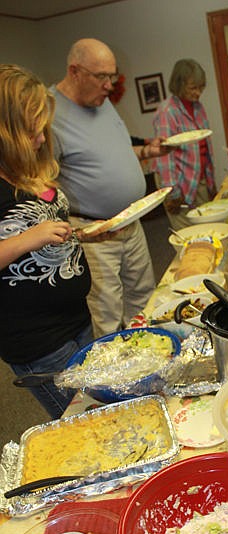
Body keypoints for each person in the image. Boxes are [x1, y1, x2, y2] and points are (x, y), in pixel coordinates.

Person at [51, 38, 168, 338]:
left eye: (112, 76)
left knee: (144, 300)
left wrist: (145, 153)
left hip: (131, 220)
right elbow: (43, 185)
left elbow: (116, 150)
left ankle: (147, 361)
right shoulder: (50, 115)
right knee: (107, 313)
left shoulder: (100, 102)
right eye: (102, 76)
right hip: (96, 230)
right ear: (75, 71)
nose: (109, 85)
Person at [0, 63, 93, 419]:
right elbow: (31, 235)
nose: (41, 140)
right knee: (85, 426)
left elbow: (50, 224)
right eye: (31, 132)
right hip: (38, 340)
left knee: (103, 410)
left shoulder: (25, 167)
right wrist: (26, 239)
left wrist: (88, 231)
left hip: (76, 318)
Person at [152, 59, 216, 230]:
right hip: (178, 181)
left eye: (201, 87)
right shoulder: (167, 112)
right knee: (190, 235)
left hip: (197, 178)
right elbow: (164, 157)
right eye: (193, 88)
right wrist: (173, 193)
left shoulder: (198, 107)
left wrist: (210, 182)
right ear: (179, 84)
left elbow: (204, 148)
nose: (198, 93)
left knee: (208, 228)